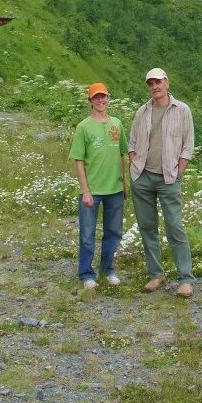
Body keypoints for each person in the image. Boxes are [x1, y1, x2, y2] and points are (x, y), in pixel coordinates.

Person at [128, 68, 195, 297]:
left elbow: (188, 146)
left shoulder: (182, 110)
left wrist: (179, 173)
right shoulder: (142, 112)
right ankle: (155, 274)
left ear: (167, 82)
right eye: (150, 83)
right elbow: (132, 143)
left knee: (175, 226)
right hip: (143, 177)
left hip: (169, 178)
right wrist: (134, 167)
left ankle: (185, 278)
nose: (154, 86)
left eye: (158, 82)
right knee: (147, 228)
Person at [69, 82, 128, 290]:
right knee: (87, 235)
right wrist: (85, 190)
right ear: (90, 101)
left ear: (108, 98)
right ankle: (86, 273)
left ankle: (107, 269)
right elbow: (78, 159)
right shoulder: (83, 127)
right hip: (92, 191)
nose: (100, 100)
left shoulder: (117, 124)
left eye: (103, 96)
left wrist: (124, 183)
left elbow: (123, 154)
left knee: (113, 233)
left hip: (115, 189)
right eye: (96, 97)